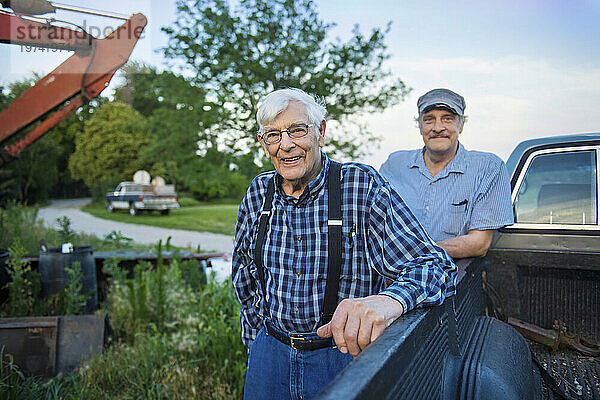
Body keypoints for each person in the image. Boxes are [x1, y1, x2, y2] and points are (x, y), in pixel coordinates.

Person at [232, 88, 457, 400]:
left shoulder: (358, 184)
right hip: (270, 357)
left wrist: (390, 301)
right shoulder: (258, 192)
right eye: (273, 135)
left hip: (341, 355)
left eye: (297, 130)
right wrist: (257, 345)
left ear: (320, 132)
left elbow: (434, 266)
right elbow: (245, 276)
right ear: (264, 144)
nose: (285, 145)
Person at [380, 88, 514, 259]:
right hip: (393, 278)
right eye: (429, 120)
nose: (437, 128)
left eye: (447, 119)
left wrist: (412, 253)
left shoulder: (488, 168)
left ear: (461, 125)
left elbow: (479, 244)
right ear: (419, 126)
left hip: (453, 281)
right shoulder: (394, 165)